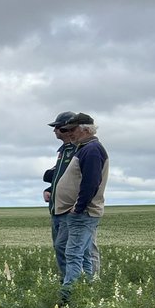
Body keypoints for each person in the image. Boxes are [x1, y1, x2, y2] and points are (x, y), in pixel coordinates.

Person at [52, 113, 109, 305]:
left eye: (73, 129)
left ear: (84, 129)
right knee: (76, 251)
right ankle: (86, 290)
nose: (70, 133)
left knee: (74, 253)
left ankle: (68, 295)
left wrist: (79, 206)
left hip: (83, 212)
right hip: (74, 211)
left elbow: (91, 181)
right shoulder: (84, 149)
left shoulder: (92, 150)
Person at [43, 112, 97, 278]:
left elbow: (89, 181)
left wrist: (79, 206)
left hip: (74, 209)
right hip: (59, 207)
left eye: (59, 128)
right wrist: (52, 189)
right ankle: (71, 281)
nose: (56, 131)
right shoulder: (64, 151)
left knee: (81, 250)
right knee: (63, 248)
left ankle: (84, 283)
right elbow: (59, 176)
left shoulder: (84, 149)